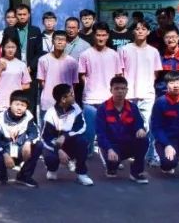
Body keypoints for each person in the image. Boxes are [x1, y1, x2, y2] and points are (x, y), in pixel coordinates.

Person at [120, 20, 163, 165]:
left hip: (147, 94)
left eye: (143, 29)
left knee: (148, 126)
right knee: (126, 126)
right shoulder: (124, 49)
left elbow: (156, 73)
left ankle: (151, 156)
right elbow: (120, 72)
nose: (140, 31)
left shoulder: (154, 51)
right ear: (133, 31)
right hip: (128, 95)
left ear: (148, 32)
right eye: (137, 29)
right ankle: (128, 153)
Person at [96, 76, 151, 184]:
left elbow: (139, 123)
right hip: (111, 146)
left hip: (127, 143)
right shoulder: (103, 108)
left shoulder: (133, 107)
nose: (120, 91)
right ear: (111, 90)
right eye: (116, 88)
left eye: (123, 88)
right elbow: (100, 134)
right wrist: (109, 149)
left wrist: (140, 129)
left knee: (144, 140)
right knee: (112, 170)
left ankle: (136, 172)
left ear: (127, 90)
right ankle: (109, 162)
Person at [78, 22, 123, 151]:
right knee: (89, 131)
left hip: (109, 99)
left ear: (108, 36)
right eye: (98, 35)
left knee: (111, 131)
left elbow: (118, 75)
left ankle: (111, 155)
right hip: (90, 99)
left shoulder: (114, 54)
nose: (101, 38)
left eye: (103, 35)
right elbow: (82, 75)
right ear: (94, 35)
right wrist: (89, 87)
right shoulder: (85, 54)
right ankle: (88, 155)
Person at [0, 90, 43, 187]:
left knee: (38, 145)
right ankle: (2, 173)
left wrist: (28, 142)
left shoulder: (28, 116)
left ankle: (24, 176)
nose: (19, 108)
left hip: (20, 148)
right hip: (5, 149)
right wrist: (5, 154)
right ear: (10, 104)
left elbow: (35, 132)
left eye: (23, 105)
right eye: (17, 104)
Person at [40, 84, 92, 186]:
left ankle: (82, 173)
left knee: (82, 142)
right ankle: (52, 169)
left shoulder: (76, 108)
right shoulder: (50, 113)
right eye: (71, 94)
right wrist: (58, 150)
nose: (74, 96)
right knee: (50, 157)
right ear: (63, 99)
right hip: (55, 145)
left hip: (70, 142)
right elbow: (46, 137)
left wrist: (65, 136)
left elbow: (81, 126)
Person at [0, 38, 31, 120]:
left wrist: (14, 88)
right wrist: (0, 69)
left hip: (15, 105)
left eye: (13, 47)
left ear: (16, 48)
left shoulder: (21, 64)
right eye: (8, 47)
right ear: (3, 48)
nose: (10, 50)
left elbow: (27, 84)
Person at [37, 33, 79, 113]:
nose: (60, 42)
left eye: (63, 40)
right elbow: (41, 81)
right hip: (48, 102)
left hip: (66, 102)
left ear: (66, 42)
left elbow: (74, 83)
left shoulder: (73, 62)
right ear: (52, 41)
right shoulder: (43, 60)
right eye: (57, 39)